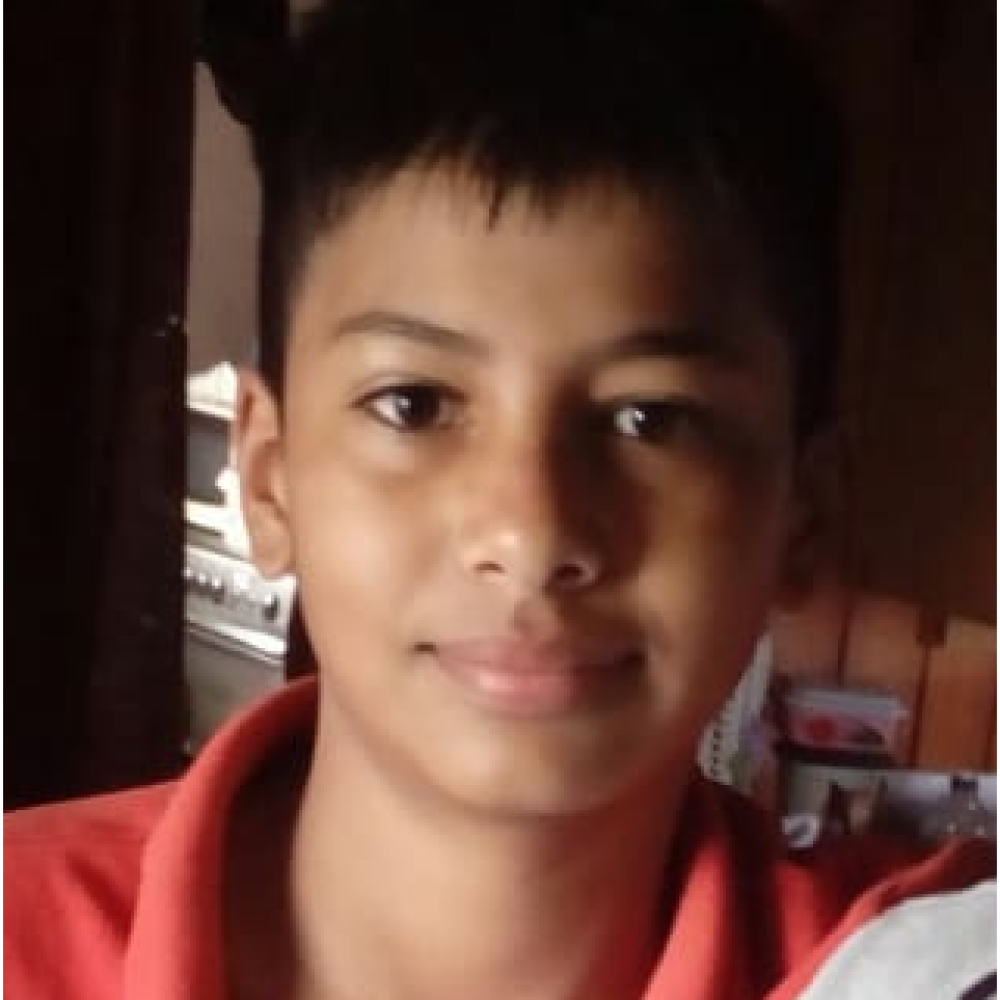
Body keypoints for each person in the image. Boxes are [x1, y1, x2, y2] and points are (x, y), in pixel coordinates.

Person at [5, 2, 994, 998]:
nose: (530, 532)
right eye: (414, 404)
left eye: (650, 418)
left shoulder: (922, 970)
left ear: (803, 514)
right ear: (269, 478)